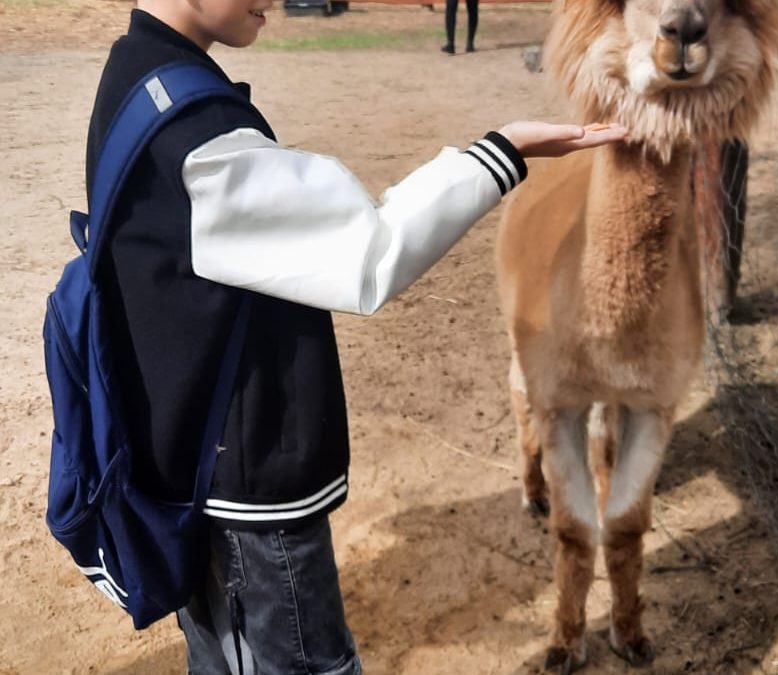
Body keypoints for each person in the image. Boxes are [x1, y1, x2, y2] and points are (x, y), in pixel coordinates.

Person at [85, 1, 628, 673]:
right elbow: (369, 246)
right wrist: (504, 150)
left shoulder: (136, 76)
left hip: (192, 475)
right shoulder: (194, 133)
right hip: (249, 505)